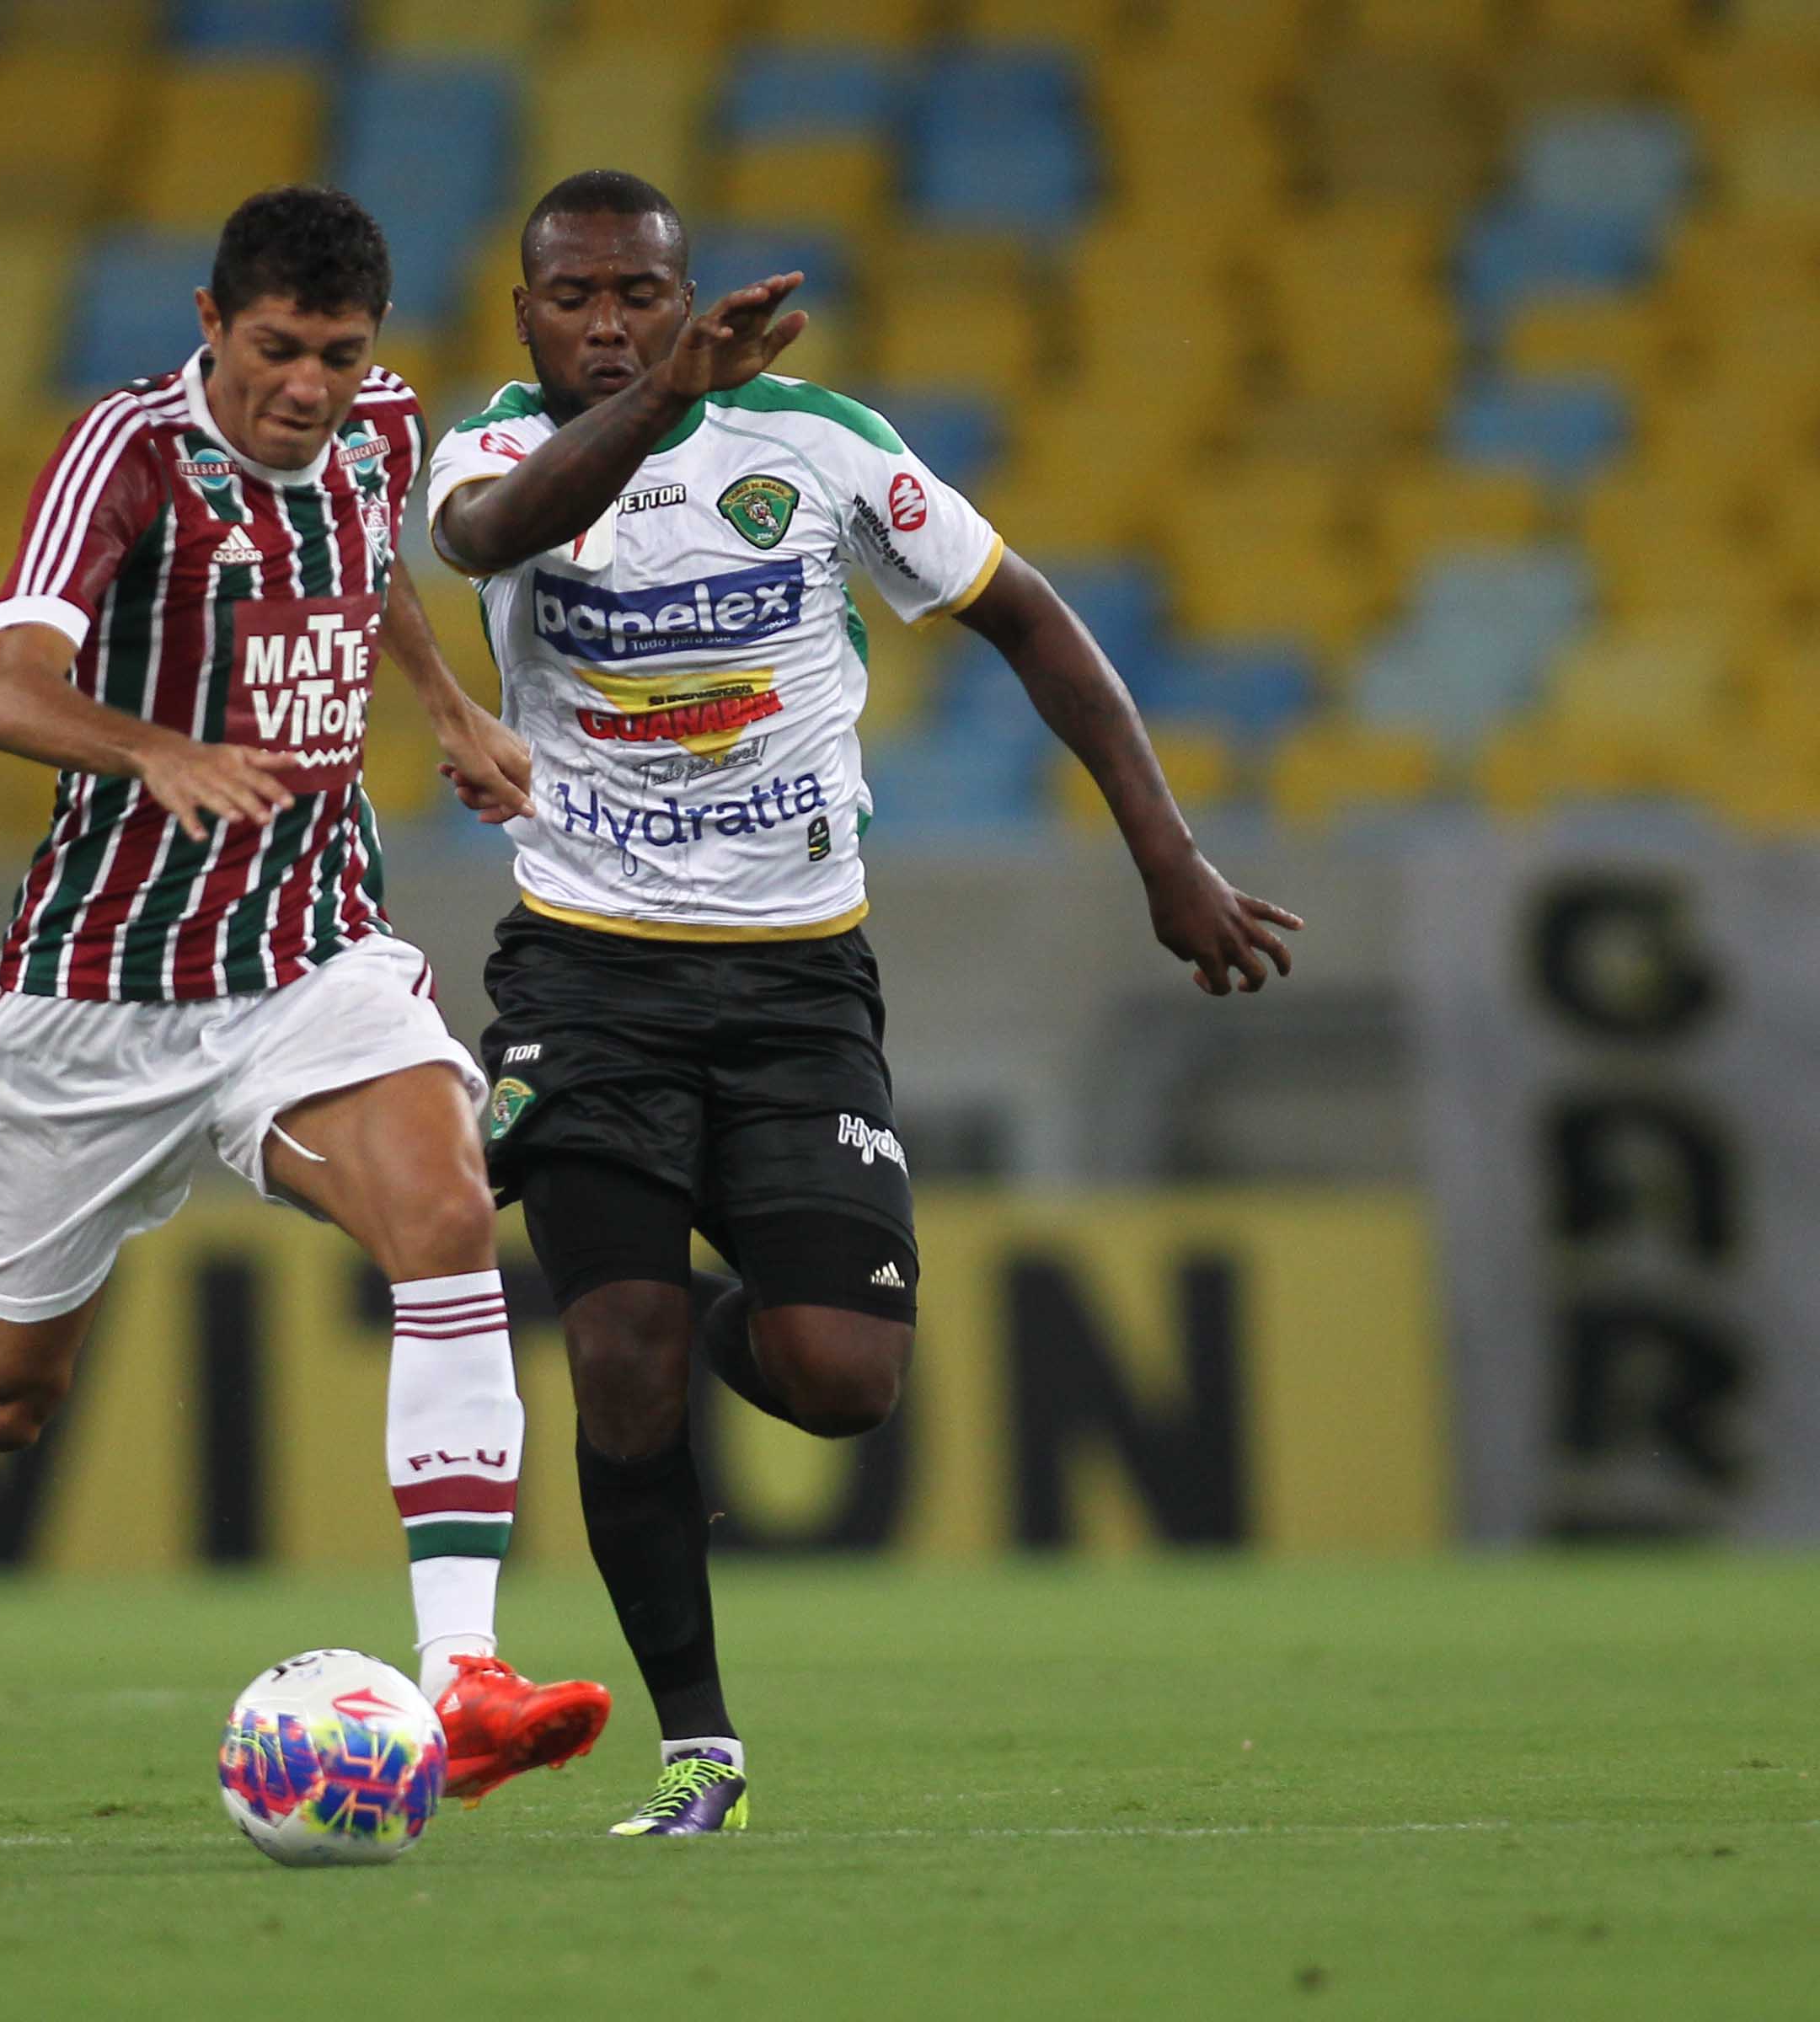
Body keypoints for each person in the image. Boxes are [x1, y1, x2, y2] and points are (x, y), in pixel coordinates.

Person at [425, 170, 1302, 1836]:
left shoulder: (817, 445)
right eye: (572, 299)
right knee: (617, 1349)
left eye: (637, 296)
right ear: (522, 312)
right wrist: (666, 399)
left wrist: (1164, 856)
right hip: (585, 972)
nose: (606, 325)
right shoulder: (483, 458)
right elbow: (494, 540)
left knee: (840, 1377)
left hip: (794, 978)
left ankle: (716, 1327)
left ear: (679, 297)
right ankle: (700, 1752)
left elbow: (1026, 619)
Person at [0, 185, 608, 1806]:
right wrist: (157, 751)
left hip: (307, 961)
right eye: (277, 351)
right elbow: (4, 689)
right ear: (212, 327)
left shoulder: (386, 431)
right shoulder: (122, 458)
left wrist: (446, 707)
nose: (310, 389)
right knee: (1, 1400)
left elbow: (362, 576)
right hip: (96, 1001)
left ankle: (463, 1675)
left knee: (448, 1217)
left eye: (339, 355)